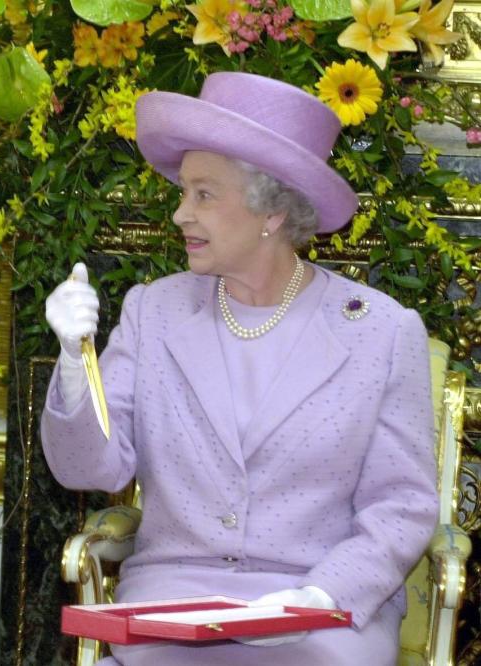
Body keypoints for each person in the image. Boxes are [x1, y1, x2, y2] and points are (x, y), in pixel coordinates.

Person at [42, 71, 439, 665]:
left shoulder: (380, 332)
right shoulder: (154, 311)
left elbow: (402, 504)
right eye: (184, 192)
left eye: (204, 194)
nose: (180, 214)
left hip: (322, 608)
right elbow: (87, 468)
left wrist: (320, 594)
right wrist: (76, 361)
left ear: (271, 212)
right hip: (174, 605)